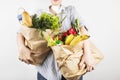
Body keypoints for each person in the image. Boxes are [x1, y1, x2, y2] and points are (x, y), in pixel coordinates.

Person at [16, 0, 96, 80]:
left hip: (72, 68)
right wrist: (21, 47)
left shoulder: (70, 11)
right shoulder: (39, 13)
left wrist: (87, 54)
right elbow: (21, 32)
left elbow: (83, 31)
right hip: (46, 72)